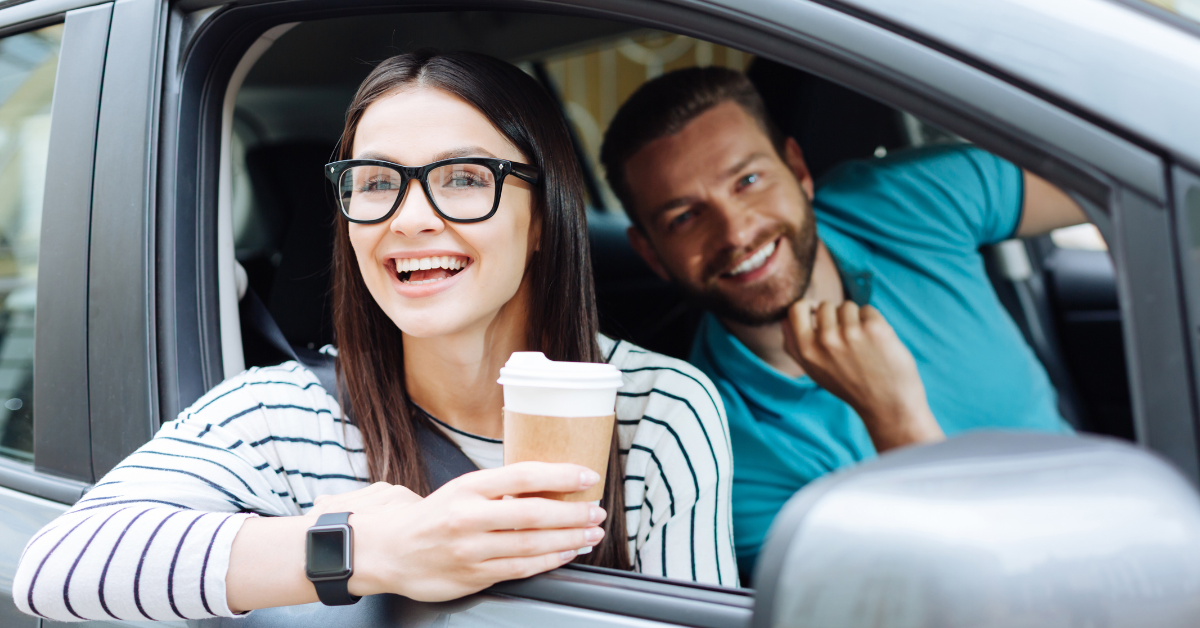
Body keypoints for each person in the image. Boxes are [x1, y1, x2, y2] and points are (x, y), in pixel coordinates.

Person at [14, 51, 736, 623]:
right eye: (374, 181)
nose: (410, 217)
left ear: (544, 214)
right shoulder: (284, 415)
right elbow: (57, 566)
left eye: (461, 177)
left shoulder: (654, 410)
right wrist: (370, 549)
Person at [598, 67, 1081, 579]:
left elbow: (1128, 189)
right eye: (686, 217)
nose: (736, 231)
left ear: (798, 170)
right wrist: (894, 417)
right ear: (651, 253)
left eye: (748, 180)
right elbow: (956, 592)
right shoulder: (712, 450)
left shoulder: (911, 199)